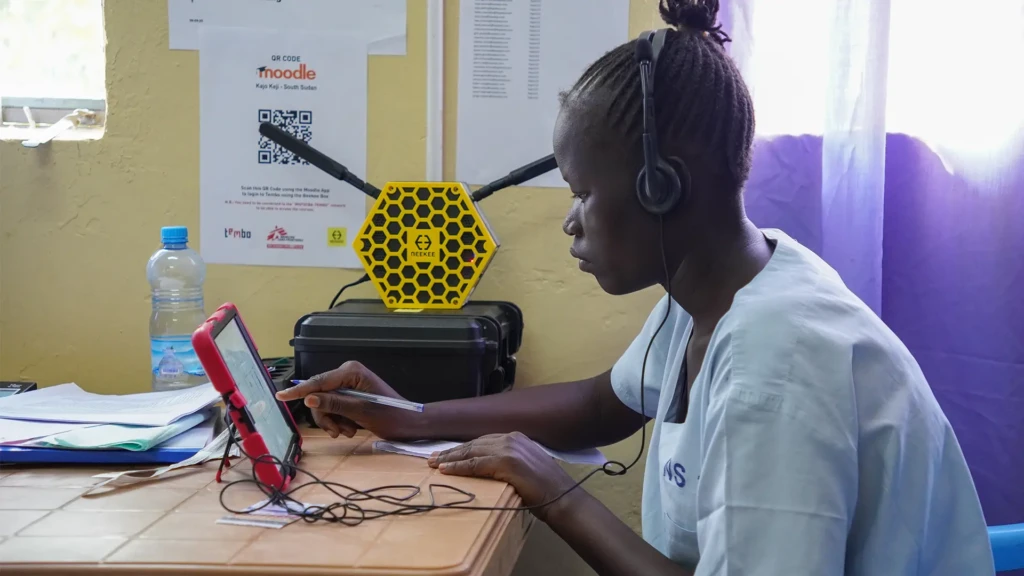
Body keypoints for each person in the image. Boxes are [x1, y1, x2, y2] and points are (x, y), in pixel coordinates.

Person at [277, 1, 995, 574]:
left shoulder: (778, 367)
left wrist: (555, 489)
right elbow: (603, 404)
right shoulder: (722, 288)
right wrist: (412, 416)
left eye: (582, 193)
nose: (570, 222)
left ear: (661, 187)